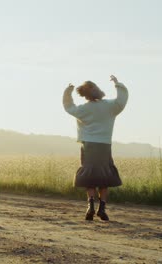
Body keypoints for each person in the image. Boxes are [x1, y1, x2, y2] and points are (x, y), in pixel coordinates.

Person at [62, 75, 129, 221]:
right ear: (97, 90)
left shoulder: (82, 109)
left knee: (90, 177)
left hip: (88, 146)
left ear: (84, 94)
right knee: (104, 177)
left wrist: (68, 92)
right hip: (104, 145)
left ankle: (90, 206)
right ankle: (102, 209)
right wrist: (118, 84)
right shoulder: (110, 106)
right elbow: (121, 100)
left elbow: (68, 106)